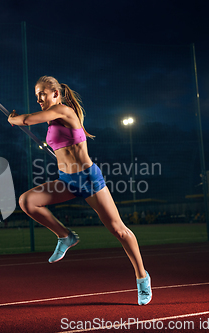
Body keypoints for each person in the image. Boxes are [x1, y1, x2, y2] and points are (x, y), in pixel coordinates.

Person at [8, 76, 152, 305]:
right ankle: (65, 236)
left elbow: (25, 120)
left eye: (42, 94)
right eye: (36, 95)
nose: (38, 99)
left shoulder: (63, 111)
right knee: (27, 201)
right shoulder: (51, 119)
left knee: (119, 230)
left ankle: (142, 277)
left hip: (88, 179)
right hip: (67, 180)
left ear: (55, 93)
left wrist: (12, 119)